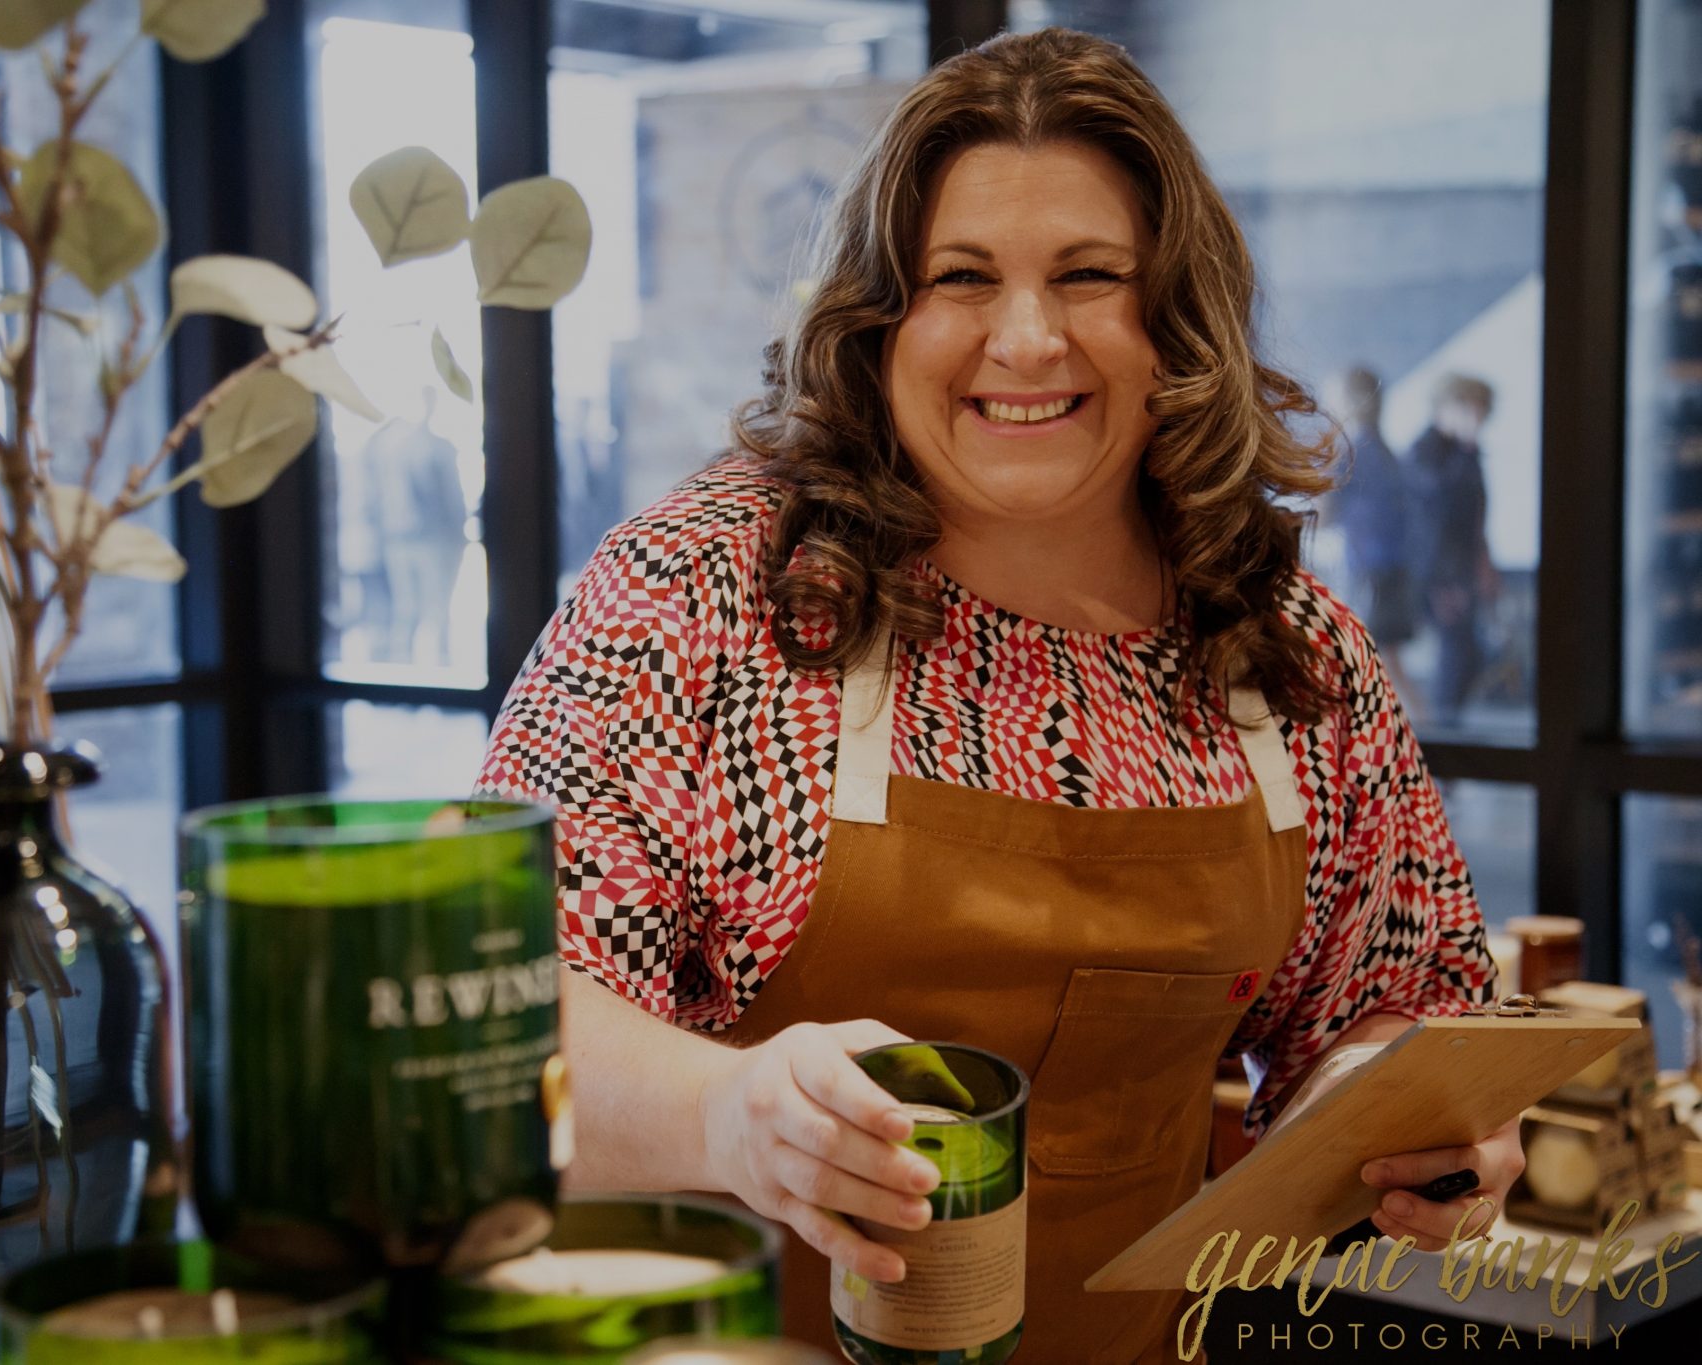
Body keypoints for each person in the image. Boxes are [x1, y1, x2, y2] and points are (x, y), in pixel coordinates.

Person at [478, 29, 1514, 1362]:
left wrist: (1411, 1117)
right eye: (960, 279)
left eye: (1089, 277)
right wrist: (727, 1113)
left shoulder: (1284, 653)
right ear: (877, 321)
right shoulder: (701, 593)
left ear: (1175, 324)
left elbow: (1384, 997)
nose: (1027, 340)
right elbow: (504, 1014)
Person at [1405, 374, 1499, 728]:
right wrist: (1443, 582)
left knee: (1470, 654)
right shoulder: (1425, 451)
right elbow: (1435, 516)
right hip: (1439, 574)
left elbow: (1474, 516)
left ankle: (1446, 731)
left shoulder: (1464, 453)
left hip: (1461, 569)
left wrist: (1485, 563)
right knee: (1457, 655)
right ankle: (1441, 736)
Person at [1324, 366, 1419, 706]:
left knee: (1368, 661)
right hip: (1387, 567)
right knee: (1384, 661)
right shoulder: (1382, 448)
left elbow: (1324, 510)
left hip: (1367, 569)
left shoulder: (1353, 449)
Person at [357, 385, 468, 665]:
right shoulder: (434, 447)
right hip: (430, 539)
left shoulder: (387, 447)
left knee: (408, 609)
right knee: (435, 608)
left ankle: (406, 669)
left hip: (400, 538)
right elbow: (452, 499)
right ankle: (439, 669)